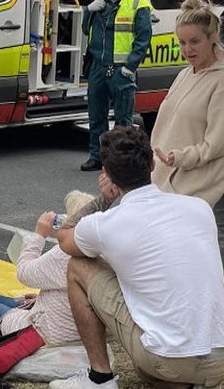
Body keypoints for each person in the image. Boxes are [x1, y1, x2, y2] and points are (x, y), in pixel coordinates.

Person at [51, 127, 224, 389]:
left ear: (107, 175)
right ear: (153, 164)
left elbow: (64, 238)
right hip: (220, 359)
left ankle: (100, 379)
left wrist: (103, 199)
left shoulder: (107, 224)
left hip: (168, 359)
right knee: (153, 366)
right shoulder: (199, 207)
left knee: (78, 265)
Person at [0, 190, 103, 346]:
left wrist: (38, 235)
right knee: (23, 302)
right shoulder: (105, 253)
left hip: (49, 333)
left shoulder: (65, 255)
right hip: (75, 326)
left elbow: (24, 273)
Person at [150, 0, 224, 252]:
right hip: (167, 185)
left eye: (195, 41)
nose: (187, 49)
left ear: (213, 37)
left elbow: (214, 146)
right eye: (182, 42)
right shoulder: (184, 73)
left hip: (203, 194)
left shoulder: (221, 81)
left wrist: (178, 157)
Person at [79, 0, 152, 172]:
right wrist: (87, 11)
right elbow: (85, 30)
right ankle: (97, 157)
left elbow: (144, 37)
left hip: (121, 69)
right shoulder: (99, 2)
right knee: (96, 116)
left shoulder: (137, 3)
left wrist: (130, 67)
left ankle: (124, 160)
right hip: (98, 67)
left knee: (123, 121)